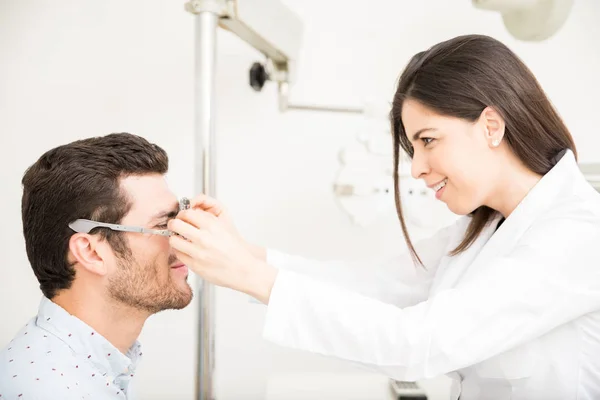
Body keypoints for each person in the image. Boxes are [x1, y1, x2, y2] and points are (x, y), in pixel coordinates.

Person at [167, 34, 600, 400]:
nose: (416, 168)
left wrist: (249, 275)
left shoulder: (577, 234)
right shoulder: (486, 227)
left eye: (428, 140)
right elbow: (377, 288)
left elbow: (419, 342)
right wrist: (246, 256)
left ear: (491, 126)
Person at [0, 133, 193, 399]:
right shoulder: (53, 390)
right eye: (163, 225)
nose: (186, 239)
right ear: (91, 252)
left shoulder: (95, 368)